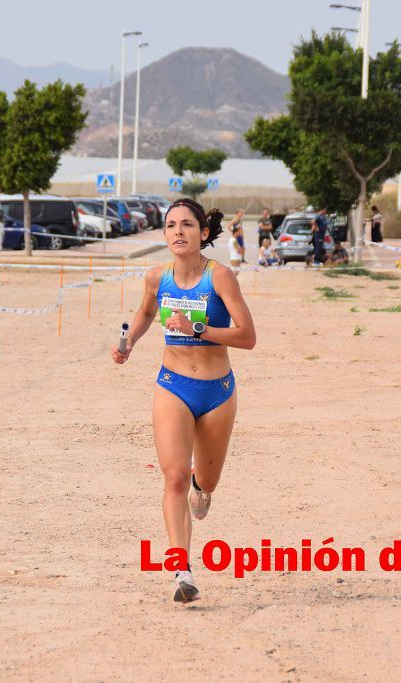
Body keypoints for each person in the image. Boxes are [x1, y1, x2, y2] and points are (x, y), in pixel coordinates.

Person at [111, 198, 256, 604]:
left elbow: (247, 336)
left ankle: (202, 487)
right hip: (172, 385)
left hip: (216, 392)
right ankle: (181, 569)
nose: (178, 231)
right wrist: (129, 344)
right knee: (172, 476)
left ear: (203, 234)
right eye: (171, 225)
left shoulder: (221, 277)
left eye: (187, 225)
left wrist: (198, 327)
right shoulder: (157, 277)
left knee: (203, 482)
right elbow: (143, 314)